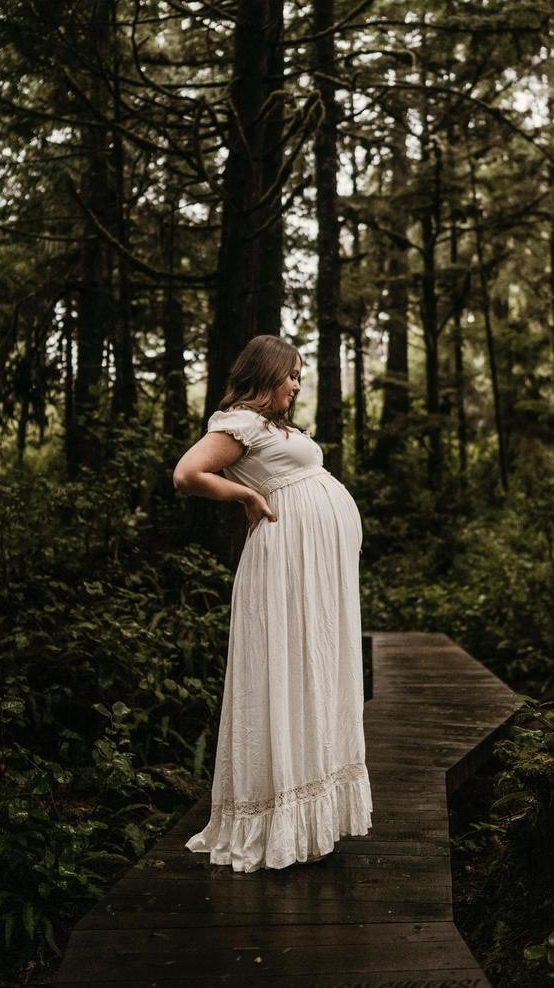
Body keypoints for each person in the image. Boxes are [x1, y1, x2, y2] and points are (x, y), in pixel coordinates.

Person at [172, 333, 372, 872]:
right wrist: (247, 495)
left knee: (316, 666)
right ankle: (273, 818)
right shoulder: (236, 423)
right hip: (286, 562)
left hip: (313, 567)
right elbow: (188, 474)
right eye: (293, 375)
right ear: (268, 373)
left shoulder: (271, 428)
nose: (298, 384)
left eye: (302, 375)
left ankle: (313, 815)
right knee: (285, 668)